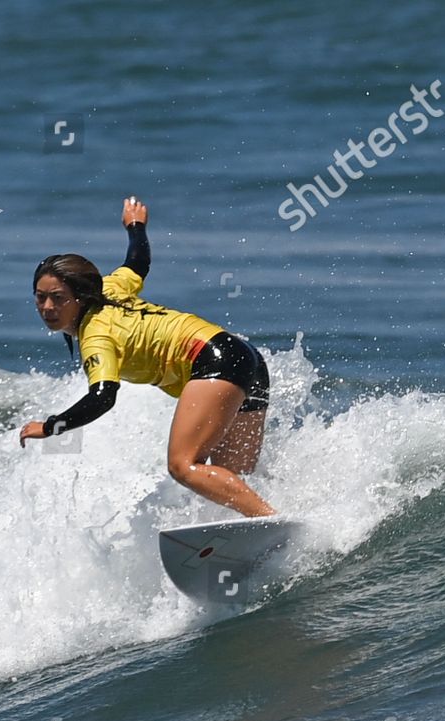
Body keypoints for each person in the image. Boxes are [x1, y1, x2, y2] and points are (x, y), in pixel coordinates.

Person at [18, 197, 277, 518]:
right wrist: (135, 226)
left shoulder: (96, 335)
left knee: (182, 466)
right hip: (244, 357)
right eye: (40, 297)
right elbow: (138, 261)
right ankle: (272, 528)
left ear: (80, 297)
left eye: (58, 298)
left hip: (214, 363)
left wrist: (50, 427)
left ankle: (272, 521)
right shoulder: (111, 288)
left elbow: (102, 396)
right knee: (230, 481)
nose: (47, 307)